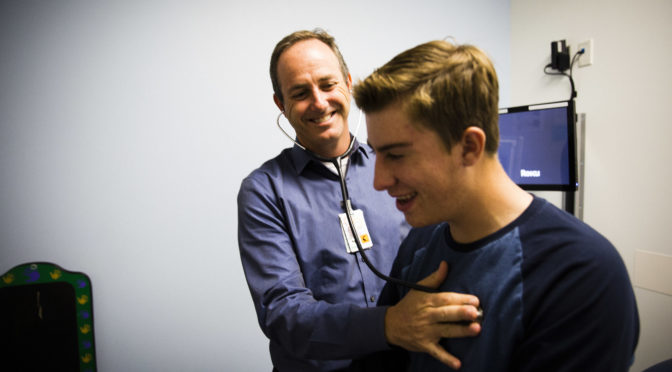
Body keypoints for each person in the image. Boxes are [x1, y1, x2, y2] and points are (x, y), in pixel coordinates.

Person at [352, 40, 640, 371]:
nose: (379, 181)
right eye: (376, 153)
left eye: (397, 155)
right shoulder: (421, 242)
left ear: (469, 146)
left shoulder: (581, 274)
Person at [237, 30, 481, 372]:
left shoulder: (398, 166)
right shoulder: (264, 191)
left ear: (349, 83)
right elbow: (282, 314)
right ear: (281, 104)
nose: (319, 102)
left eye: (327, 84)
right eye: (300, 93)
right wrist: (389, 324)